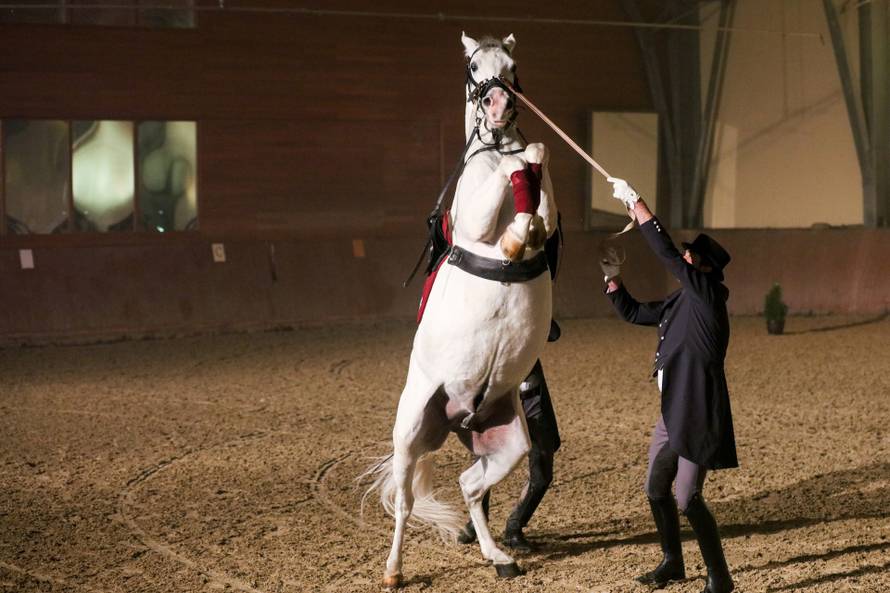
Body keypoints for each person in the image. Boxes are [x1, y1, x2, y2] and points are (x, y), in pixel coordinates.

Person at [602, 177, 737, 593]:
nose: (684, 257)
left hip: (696, 412)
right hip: (670, 410)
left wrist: (638, 205)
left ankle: (720, 578)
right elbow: (637, 314)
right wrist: (614, 282)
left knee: (687, 498)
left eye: (690, 255)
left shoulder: (708, 296)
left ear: (704, 268)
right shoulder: (684, 300)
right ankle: (672, 562)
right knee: (655, 488)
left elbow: (665, 255)